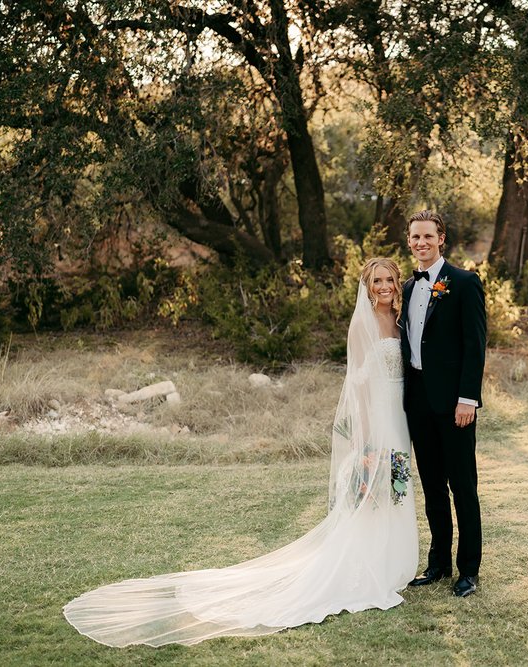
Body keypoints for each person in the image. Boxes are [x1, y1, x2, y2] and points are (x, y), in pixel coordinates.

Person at [63, 258, 417, 646]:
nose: (383, 286)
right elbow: (358, 387)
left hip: (401, 417)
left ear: (397, 283)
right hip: (377, 420)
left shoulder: (400, 322)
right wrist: (365, 442)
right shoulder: (360, 325)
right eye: (376, 281)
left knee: (396, 491)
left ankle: (392, 564)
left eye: (389, 280)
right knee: (372, 494)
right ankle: (365, 570)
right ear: (367, 286)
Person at [400, 210, 487, 598]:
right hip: (417, 402)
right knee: (432, 485)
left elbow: (475, 345)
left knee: (462, 486)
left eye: (427, 236)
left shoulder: (464, 283)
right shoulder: (405, 287)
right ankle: (438, 563)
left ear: (441, 239)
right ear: (409, 241)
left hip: (455, 404)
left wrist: (468, 398)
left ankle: (468, 570)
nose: (421, 243)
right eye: (415, 237)